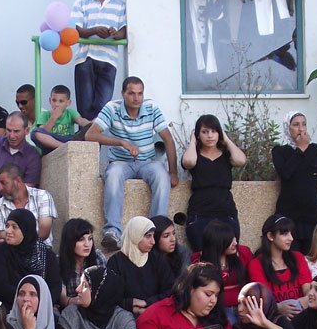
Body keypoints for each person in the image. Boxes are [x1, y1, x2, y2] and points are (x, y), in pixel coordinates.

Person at [87, 77, 177, 248]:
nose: (136, 98)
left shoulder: (151, 107)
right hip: (120, 162)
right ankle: (112, 232)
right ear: (123, 94)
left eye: (140, 93)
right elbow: (90, 134)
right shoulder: (112, 108)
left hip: (147, 162)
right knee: (112, 175)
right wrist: (121, 142)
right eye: (131, 93)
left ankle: (156, 231)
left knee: (161, 175)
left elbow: (167, 138)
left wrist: (173, 172)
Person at [179, 114, 245, 251]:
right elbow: (188, 162)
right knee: (202, 254)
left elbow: (241, 161)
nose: (210, 135)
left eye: (214, 131)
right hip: (200, 212)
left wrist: (226, 139)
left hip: (226, 211)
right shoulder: (194, 155)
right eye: (205, 132)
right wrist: (193, 141)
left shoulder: (226, 154)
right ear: (198, 134)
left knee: (229, 253)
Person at [71, 0, 128, 120]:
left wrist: (113, 34)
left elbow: (124, 31)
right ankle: (86, 136)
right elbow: (76, 30)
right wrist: (95, 30)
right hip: (86, 59)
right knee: (85, 109)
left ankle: (94, 136)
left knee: (103, 110)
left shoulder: (119, 4)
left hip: (108, 61)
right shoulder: (81, 2)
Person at [271, 112, 317, 246]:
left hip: (312, 214)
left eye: (304, 124)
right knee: (292, 254)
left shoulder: (315, 149)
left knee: (312, 253)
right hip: (289, 213)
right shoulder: (279, 151)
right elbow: (285, 173)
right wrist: (301, 148)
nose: (301, 129)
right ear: (288, 127)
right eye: (296, 125)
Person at [0, 209, 61, 311]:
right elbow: (1, 287)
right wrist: (27, 302)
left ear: (26, 229)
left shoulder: (45, 255)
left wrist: (38, 305)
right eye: (7, 226)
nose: (8, 231)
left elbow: (55, 287)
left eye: (14, 227)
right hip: (9, 309)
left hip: (41, 309)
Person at [247, 213, 311, 319]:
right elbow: (264, 298)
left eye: (291, 233)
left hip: (301, 312)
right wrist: (278, 308)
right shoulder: (256, 264)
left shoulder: (298, 257)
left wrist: (306, 299)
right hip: (274, 317)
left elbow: (307, 287)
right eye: (285, 234)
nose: (291, 238)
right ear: (270, 236)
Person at [105, 215, 171, 316]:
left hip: (155, 313)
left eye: (153, 236)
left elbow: (171, 290)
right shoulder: (116, 263)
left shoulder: (157, 259)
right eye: (148, 236)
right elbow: (109, 296)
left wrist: (147, 303)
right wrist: (130, 303)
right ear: (135, 235)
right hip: (125, 317)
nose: (153, 242)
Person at [0, 111, 40, 200]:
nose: (12, 136)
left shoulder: (33, 156)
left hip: (11, 200)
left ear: (26, 131)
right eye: (9, 130)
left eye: (16, 131)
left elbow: (27, 189)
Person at [0, 162, 56, 243]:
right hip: (13, 250)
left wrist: (23, 245)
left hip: (40, 248)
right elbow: (3, 234)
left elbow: (44, 231)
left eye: (3, 183)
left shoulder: (42, 196)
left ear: (17, 181)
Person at [194, 219, 252, 311]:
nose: (235, 243)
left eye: (234, 238)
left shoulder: (243, 253)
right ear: (217, 242)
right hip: (216, 309)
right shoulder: (198, 261)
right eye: (229, 240)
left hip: (244, 305)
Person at [28, 83, 91, 152]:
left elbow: (80, 121)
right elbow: (43, 132)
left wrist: (92, 124)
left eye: (61, 101)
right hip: (51, 143)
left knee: (90, 129)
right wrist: (53, 118)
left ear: (68, 103)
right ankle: (64, 147)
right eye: (54, 100)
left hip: (69, 140)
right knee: (34, 133)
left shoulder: (70, 112)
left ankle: (67, 146)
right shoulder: (45, 114)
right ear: (50, 100)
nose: (56, 104)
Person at [58, 217, 105, 307]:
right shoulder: (58, 262)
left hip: (96, 307)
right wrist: (80, 302)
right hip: (68, 308)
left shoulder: (98, 258)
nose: (87, 244)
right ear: (69, 241)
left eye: (90, 239)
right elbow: (62, 297)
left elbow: (104, 290)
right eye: (81, 239)